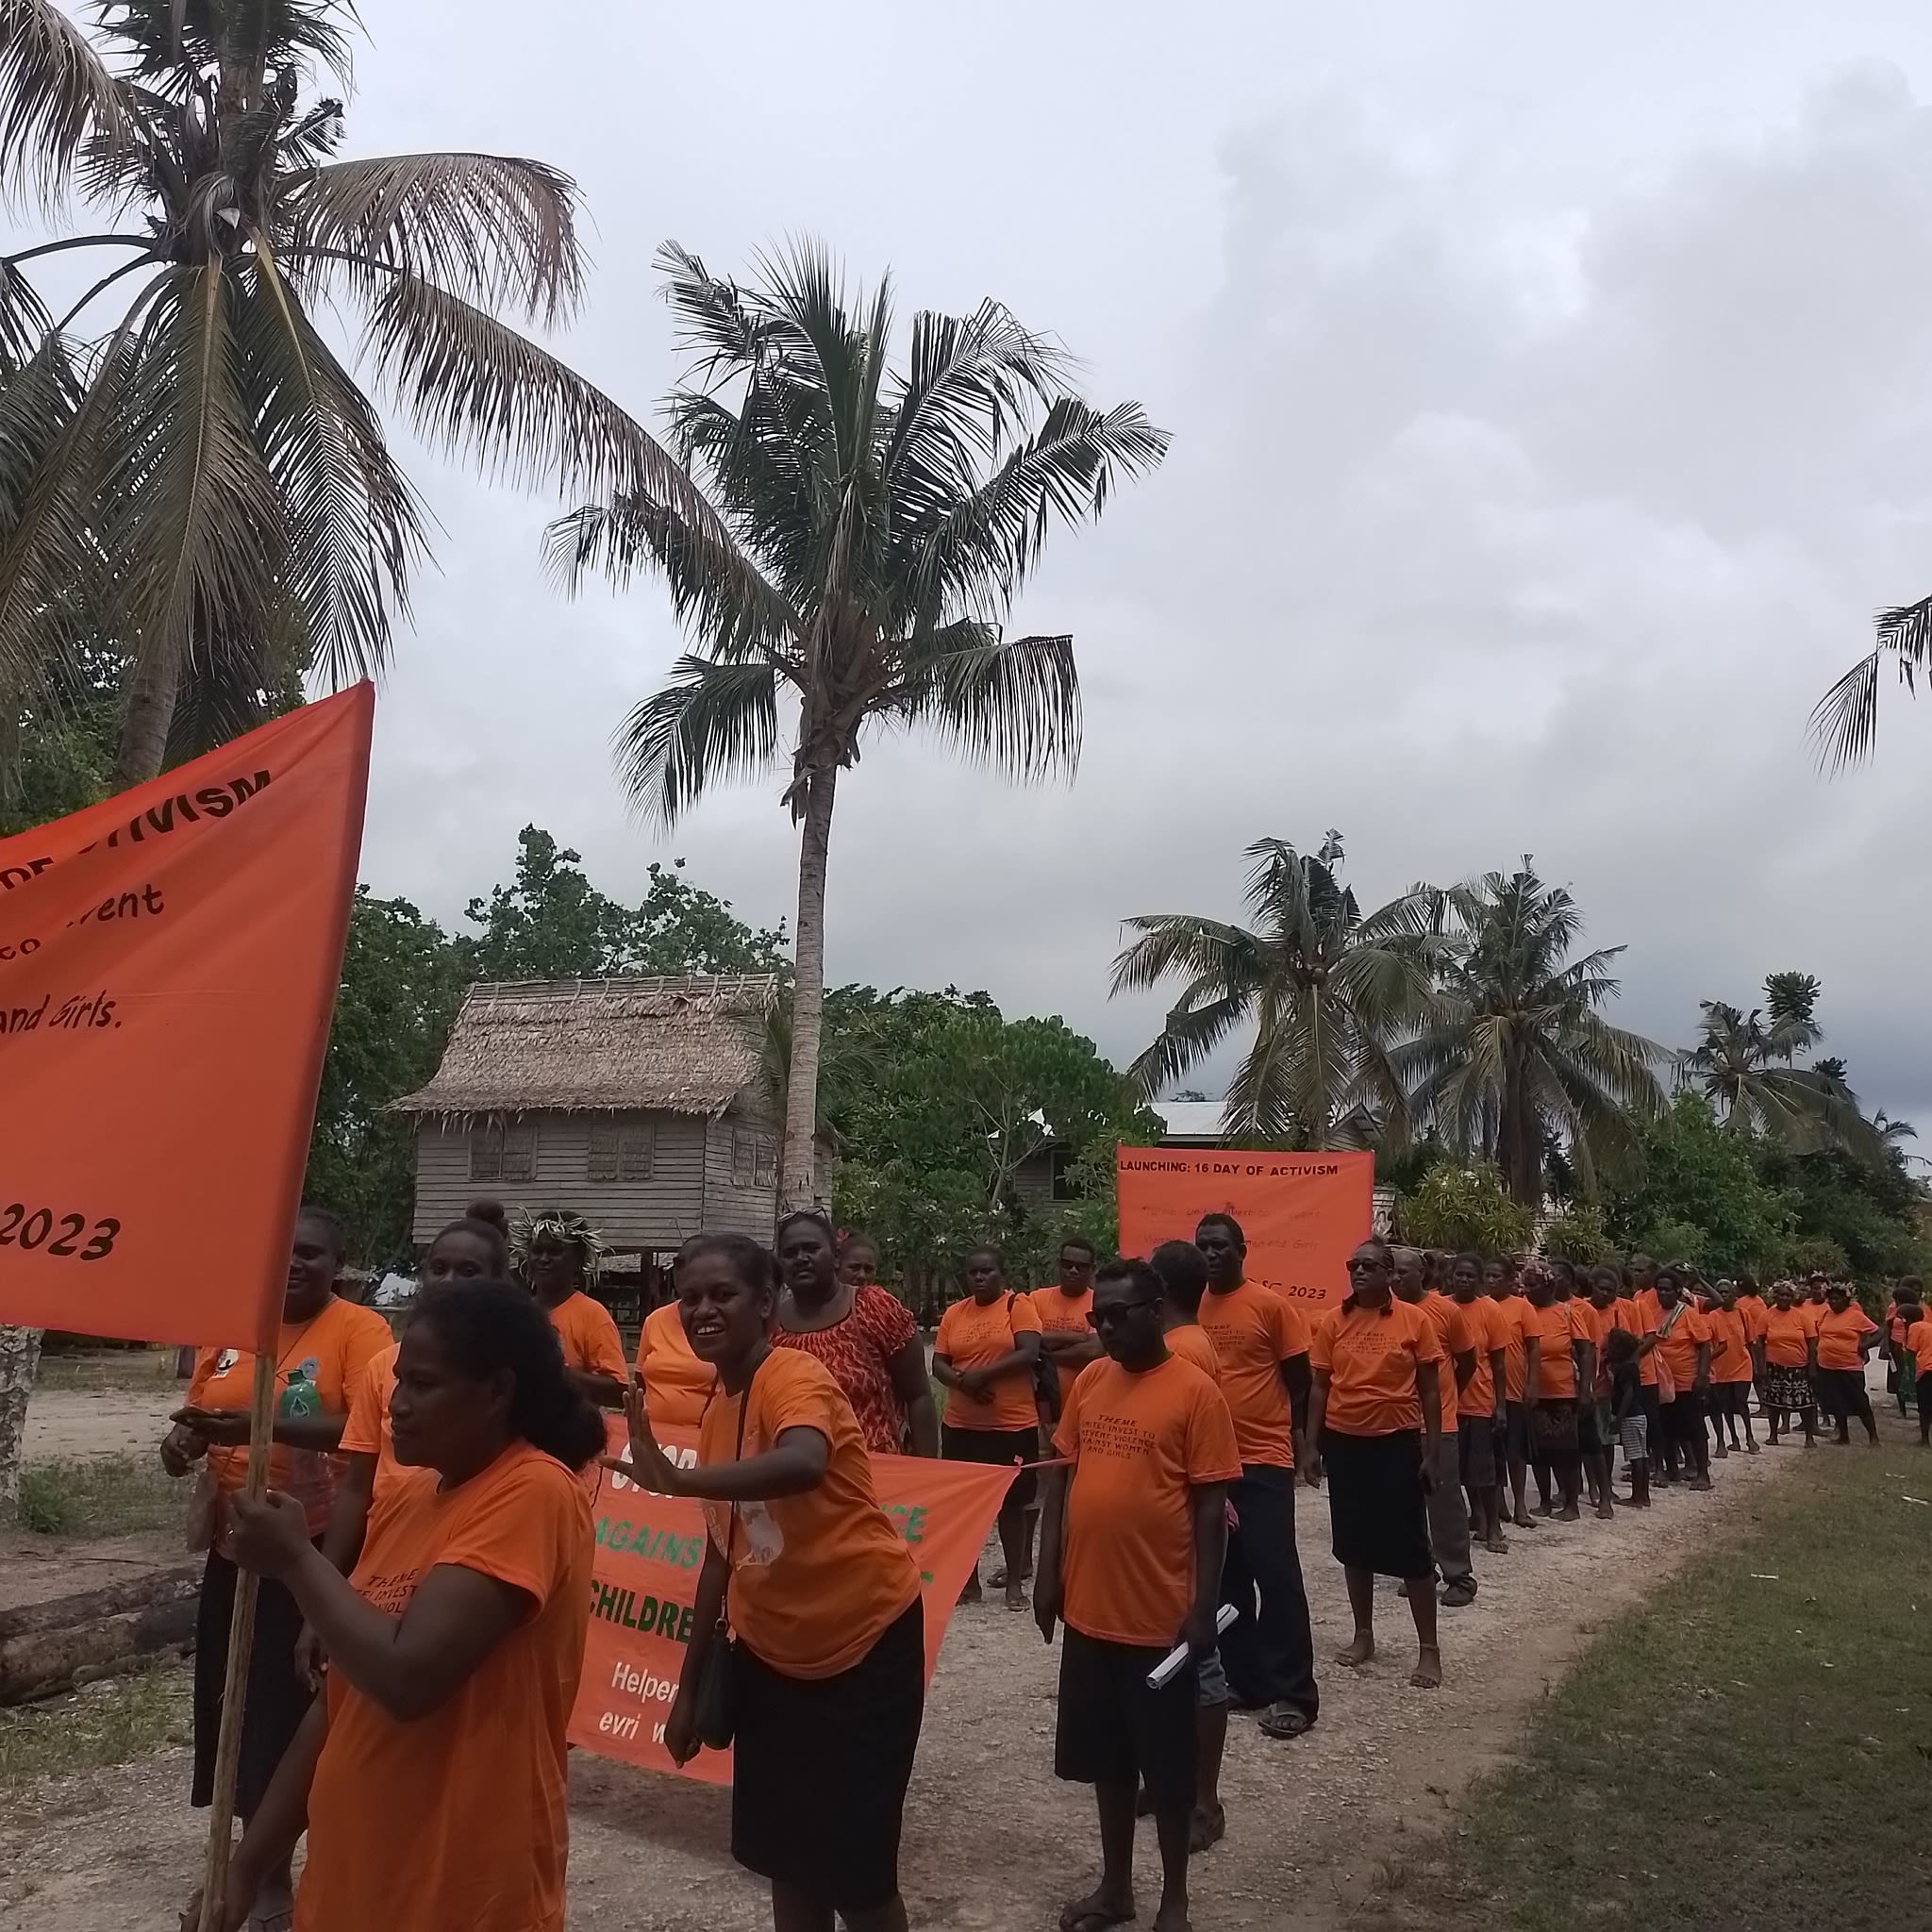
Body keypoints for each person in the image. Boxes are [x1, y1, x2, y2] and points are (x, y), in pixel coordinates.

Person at [185, 1278, 602, 1932]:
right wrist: (245, 1869)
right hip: (353, 1880)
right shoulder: (410, 1500)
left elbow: (408, 1680)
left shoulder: (533, 1494)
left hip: (457, 1887)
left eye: (424, 1386)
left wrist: (297, 1562)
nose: (397, 1406)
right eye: (398, 1383)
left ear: (496, 1391)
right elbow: (335, 1706)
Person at [628, 1234, 925, 1932]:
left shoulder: (794, 1377)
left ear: (765, 1304)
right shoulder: (718, 1413)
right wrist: (685, 1692)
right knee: (786, 1860)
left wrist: (678, 1480)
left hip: (861, 1649)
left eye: (721, 1294)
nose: (702, 1309)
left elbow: (804, 1462)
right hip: (769, 1659)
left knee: (855, 1875)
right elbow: (719, 1558)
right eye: (689, 1297)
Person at [159, 1206, 391, 1932]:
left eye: (312, 1255)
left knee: (283, 1716)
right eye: (283, 1254)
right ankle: (241, 1860)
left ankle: (273, 1882)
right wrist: (184, 1446)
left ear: (338, 1265)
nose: (293, 1266)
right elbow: (202, 1413)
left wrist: (258, 1426)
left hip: (313, 1550)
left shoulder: (360, 1332)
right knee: (231, 1706)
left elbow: (364, 1429)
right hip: (237, 1550)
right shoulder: (232, 1329)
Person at [1036, 1259, 1241, 1932]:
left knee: (1169, 1770)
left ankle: (1174, 1899)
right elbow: (1063, 1479)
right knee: (1109, 1763)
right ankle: (1116, 1888)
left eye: (1118, 1315)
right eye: (1099, 1317)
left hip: (1160, 1620)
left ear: (1156, 1310)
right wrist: (1047, 1574)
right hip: (1091, 1612)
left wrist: (1203, 1605)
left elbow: (1211, 1507)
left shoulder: (1194, 1391)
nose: (1106, 1328)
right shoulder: (1092, 1379)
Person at [300, 1213, 513, 1688]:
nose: (449, 1282)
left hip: (467, 1567)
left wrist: (297, 1562)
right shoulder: (384, 1367)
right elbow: (357, 1489)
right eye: (438, 1268)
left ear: (501, 1281)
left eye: (469, 1271)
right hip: (385, 1569)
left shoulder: (518, 1377)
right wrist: (325, 1596)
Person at [1194, 1213, 1319, 1740]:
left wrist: (1296, 1441)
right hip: (1207, 1464)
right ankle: (1246, 1680)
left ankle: (1294, 1692)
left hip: (1263, 1460)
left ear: (1242, 1250)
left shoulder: (1271, 1307)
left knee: (1276, 1575)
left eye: (1220, 1245)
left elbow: (1300, 1382)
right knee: (1225, 1578)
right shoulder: (1189, 1307)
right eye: (1202, 1246)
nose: (1211, 1254)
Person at [1307, 1240, 1446, 1690]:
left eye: (1369, 1265)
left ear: (1389, 1272)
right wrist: (1311, 1447)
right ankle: (1363, 1634)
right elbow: (1320, 1388)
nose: (1359, 1272)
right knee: (1352, 1541)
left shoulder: (1414, 1321)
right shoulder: (1334, 1320)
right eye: (1353, 1265)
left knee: (1410, 1546)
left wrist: (1432, 1449)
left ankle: (1429, 1649)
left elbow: (1429, 1389)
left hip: (1395, 1443)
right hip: (1345, 1443)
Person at [1146, 1239, 1232, 1849]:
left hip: (1189, 1529)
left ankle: (1205, 1799)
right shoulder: (1188, 1342)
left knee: (1197, 1655)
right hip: (1168, 1529)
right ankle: (1171, 1780)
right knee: (1160, 1654)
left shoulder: (1185, 1353)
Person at [772, 1211, 938, 1457]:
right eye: (790, 1253)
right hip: (792, 1477)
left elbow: (918, 1396)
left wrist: (927, 1473)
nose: (801, 1258)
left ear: (836, 1256)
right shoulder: (769, 1326)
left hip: (876, 1476)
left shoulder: (874, 1308)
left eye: (812, 1249)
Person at [932, 1245, 1043, 1609]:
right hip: (962, 1426)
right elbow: (939, 1364)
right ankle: (968, 1583)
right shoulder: (954, 1313)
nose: (979, 1278)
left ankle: (1014, 1583)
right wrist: (965, 1383)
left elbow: (1028, 1352)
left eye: (987, 1272)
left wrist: (982, 1375)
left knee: (1011, 1505)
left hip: (1011, 1426)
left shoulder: (1018, 1306)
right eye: (973, 1273)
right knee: (964, 1508)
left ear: (1001, 1274)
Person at [1392, 1245, 1477, 1607]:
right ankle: (1419, 1568)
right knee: (1405, 1501)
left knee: (1444, 1502)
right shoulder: (1385, 1313)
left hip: (1438, 1424)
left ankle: (1459, 1575)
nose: (1396, 1279)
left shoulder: (1445, 1311)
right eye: (1391, 1272)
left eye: (1403, 1273)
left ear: (1422, 1275)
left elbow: (1468, 1360)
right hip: (1398, 1424)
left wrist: (1449, 1398)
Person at [512, 1208, 628, 1408]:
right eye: (537, 1251)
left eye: (556, 1251)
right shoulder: (516, 1312)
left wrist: (556, 1373)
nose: (544, 1259)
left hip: (572, 1432)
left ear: (578, 1261)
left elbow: (619, 1393)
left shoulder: (592, 1314)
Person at [1449, 1255, 1509, 1555]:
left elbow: (1499, 1363)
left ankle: (1494, 1526)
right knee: (1455, 1472)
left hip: (1480, 1401)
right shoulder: (1441, 1308)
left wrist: (1501, 1405)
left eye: (1470, 1276)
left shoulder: (1490, 1310)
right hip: (1447, 1405)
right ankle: (1475, 1519)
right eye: (1459, 1275)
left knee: (1483, 1471)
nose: (1464, 1280)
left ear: (1479, 1279)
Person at [1523, 1266, 1591, 1522]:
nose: (1527, 1291)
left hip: (1562, 1390)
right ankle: (1544, 1501)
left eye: (1533, 1286)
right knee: (1539, 1450)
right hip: (1532, 1391)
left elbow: (1585, 1351)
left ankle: (1571, 1503)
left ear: (1549, 1287)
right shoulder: (1525, 1311)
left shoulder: (1567, 1312)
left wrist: (1584, 1389)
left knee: (1566, 1449)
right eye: (1526, 1286)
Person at [1486, 1257, 1540, 1530]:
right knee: (1492, 1453)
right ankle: (1497, 1506)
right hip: (1486, 1392)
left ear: (1510, 1280)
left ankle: (1520, 1504)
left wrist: (1532, 1384)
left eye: (1497, 1276)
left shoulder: (1522, 1307)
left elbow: (1532, 1348)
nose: (1491, 1281)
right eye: (1489, 1276)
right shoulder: (1482, 1306)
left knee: (1516, 1452)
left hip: (1515, 1388)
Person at [1653, 1270, 1713, 1491]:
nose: (1663, 1293)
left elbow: (1704, 1344)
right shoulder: (1653, 1313)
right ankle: (1671, 1470)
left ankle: (1702, 1474)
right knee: (1665, 1427)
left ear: (1678, 1291)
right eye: (1659, 1289)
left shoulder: (1688, 1314)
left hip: (1686, 1381)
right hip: (1662, 1382)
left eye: (1667, 1289)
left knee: (1695, 1427)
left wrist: (1702, 1375)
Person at [1617, 1255, 1667, 1485]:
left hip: (1645, 1371)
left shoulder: (1654, 1297)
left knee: (1652, 1421)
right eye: (1634, 1270)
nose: (1637, 1274)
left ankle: (1659, 1467)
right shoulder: (1637, 1297)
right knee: (1637, 1421)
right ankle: (1641, 1463)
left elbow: (1652, 1335)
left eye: (1642, 1271)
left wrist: (1634, 1357)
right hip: (1632, 1369)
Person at [1580, 1268, 1624, 1516]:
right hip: (1583, 1383)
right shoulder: (1582, 1309)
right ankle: (1592, 1486)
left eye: (1610, 1290)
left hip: (1605, 1384)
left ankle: (1605, 1485)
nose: (1604, 1293)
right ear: (1592, 1286)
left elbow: (1625, 1343)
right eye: (1600, 1288)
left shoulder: (1617, 1313)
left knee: (1604, 1438)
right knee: (1587, 1438)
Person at [1816, 1284, 1881, 1445]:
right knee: (1836, 1402)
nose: (1833, 1302)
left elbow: (1878, 1332)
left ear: (1845, 1300)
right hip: (1827, 1366)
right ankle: (1843, 1436)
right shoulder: (1826, 1315)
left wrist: (1864, 1346)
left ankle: (1873, 1437)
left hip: (1850, 1367)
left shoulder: (1856, 1316)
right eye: (1830, 1299)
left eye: (1837, 1299)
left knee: (1860, 1402)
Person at [1759, 1282, 1819, 1448]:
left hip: (1799, 1367)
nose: (1784, 1298)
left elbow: (1812, 1342)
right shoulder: (1767, 1315)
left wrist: (1812, 1367)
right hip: (1774, 1366)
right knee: (1774, 1403)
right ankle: (1773, 1435)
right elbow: (1759, 1341)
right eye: (1781, 1295)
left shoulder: (1801, 1316)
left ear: (1792, 1297)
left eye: (1788, 1295)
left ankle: (1809, 1438)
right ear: (1775, 1296)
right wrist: (1761, 1365)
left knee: (1805, 1403)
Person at [1706, 1281, 1757, 1456]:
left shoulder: (1743, 1314)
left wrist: (1757, 1367)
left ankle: (1750, 1437)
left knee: (1741, 1402)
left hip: (1742, 1365)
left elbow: (1751, 1342)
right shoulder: (1713, 1316)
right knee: (1724, 1405)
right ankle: (1733, 1439)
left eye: (1727, 1292)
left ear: (1734, 1295)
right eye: (1720, 1292)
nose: (1724, 1295)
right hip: (1720, 1368)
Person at [1606, 1328, 1649, 1506]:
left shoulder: (1624, 1370)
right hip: (1639, 1416)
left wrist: (1618, 1419)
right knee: (1642, 1456)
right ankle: (1643, 1496)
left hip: (1630, 1417)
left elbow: (1628, 1394)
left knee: (1636, 1458)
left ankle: (1636, 1497)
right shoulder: (1632, 1366)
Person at [1902, 1294, 1932, 1445]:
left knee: (1925, 1407)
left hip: (1926, 1369)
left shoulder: (1914, 1327)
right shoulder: (1928, 1326)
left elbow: (1911, 1351)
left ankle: (1925, 1439)